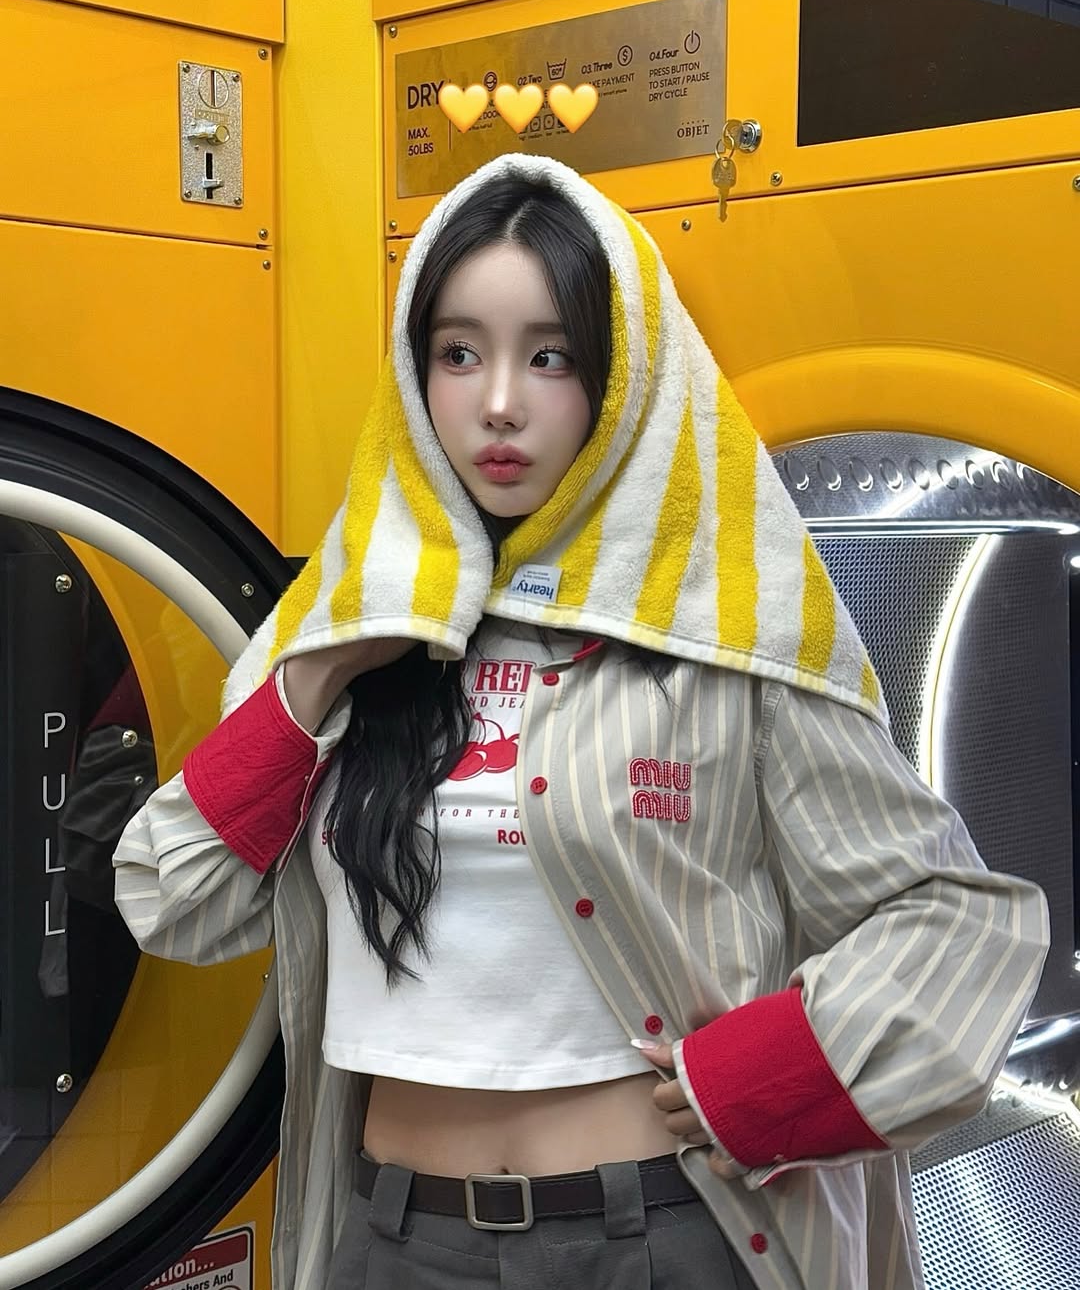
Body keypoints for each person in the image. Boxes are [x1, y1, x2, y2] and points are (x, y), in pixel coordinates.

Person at [113, 152, 1049, 1290]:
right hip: (392, 1239)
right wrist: (320, 677)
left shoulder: (720, 640)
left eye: (550, 356)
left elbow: (961, 919)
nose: (499, 402)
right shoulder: (343, 631)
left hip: (653, 1234)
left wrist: (764, 1080)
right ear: (414, 378)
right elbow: (175, 899)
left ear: (622, 380)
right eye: (459, 353)